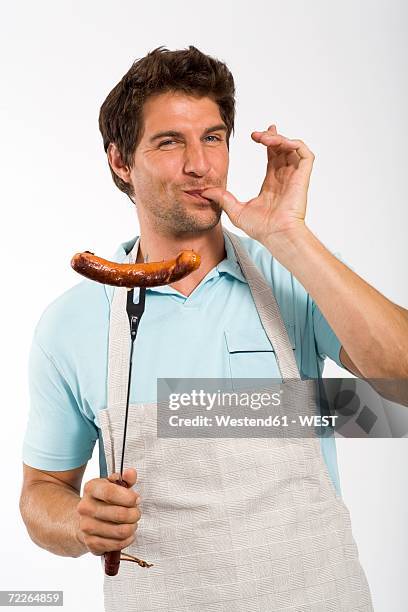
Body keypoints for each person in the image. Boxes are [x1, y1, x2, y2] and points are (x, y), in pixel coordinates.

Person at [20, 46, 407, 611]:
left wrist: (290, 237)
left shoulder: (293, 278)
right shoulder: (69, 324)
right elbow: (41, 493)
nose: (200, 164)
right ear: (120, 162)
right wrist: (79, 522)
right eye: (169, 142)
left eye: (214, 137)